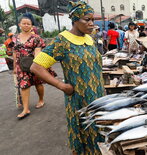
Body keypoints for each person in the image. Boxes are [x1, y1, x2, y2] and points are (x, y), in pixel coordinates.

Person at [30, 1, 103, 154]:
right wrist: (61, 86)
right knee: (84, 133)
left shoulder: (89, 39)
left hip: (98, 96)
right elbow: (36, 67)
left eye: (92, 20)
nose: (91, 23)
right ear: (75, 19)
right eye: (86, 19)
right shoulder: (63, 41)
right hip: (79, 99)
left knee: (99, 133)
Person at [13, 13, 56, 119]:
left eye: (28, 24)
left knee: (38, 83)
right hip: (21, 66)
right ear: (19, 24)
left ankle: (41, 100)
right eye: (24, 23)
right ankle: (26, 109)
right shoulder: (15, 38)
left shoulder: (36, 38)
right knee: (24, 85)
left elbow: (38, 51)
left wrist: (36, 66)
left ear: (32, 25)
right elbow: (14, 52)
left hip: (34, 64)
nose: (26, 25)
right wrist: (15, 66)